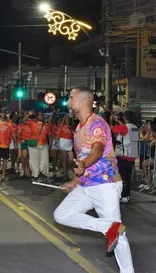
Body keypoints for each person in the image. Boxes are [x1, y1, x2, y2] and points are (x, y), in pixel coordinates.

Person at [53, 87, 134, 273]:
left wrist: (84, 164)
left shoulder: (97, 124)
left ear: (83, 101)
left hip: (105, 185)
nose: (68, 102)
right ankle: (108, 227)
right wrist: (75, 180)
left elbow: (97, 149)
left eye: (71, 98)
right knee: (62, 215)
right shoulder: (78, 128)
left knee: (119, 236)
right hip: (87, 184)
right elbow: (82, 158)